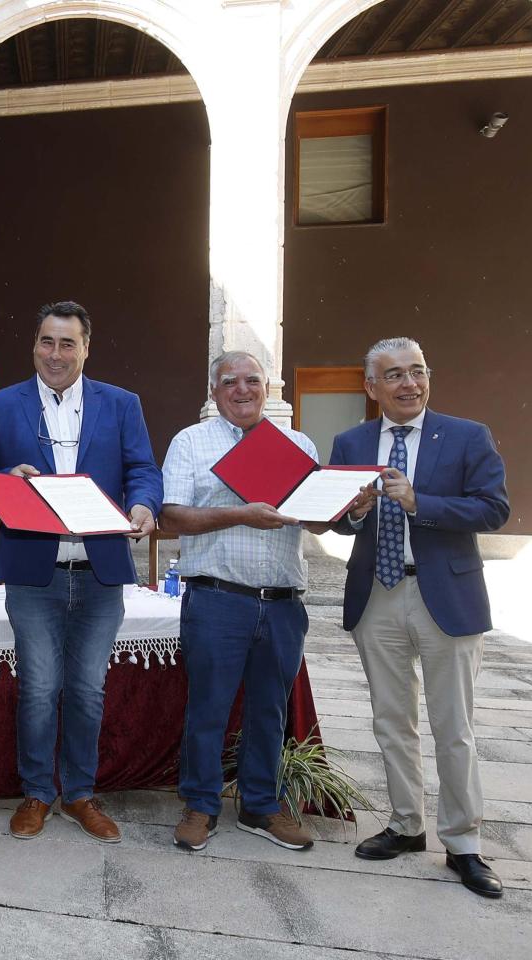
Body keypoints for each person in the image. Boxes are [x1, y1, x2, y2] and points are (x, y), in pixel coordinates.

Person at [0, 300, 161, 843]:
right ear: (34, 345)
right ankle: (36, 793)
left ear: (86, 348)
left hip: (101, 572)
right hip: (35, 574)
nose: (56, 354)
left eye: (67, 343)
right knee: (38, 688)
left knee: (86, 690)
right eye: (46, 342)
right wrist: (7, 475)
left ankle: (78, 794)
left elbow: (143, 470)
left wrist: (145, 505)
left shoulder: (121, 404)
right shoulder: (2, 406)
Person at [330, 337, 510, 898]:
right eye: (394, 375)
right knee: (391, 721)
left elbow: (494, 508)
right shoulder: (351, 441)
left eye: (417, 371)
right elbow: (335, 521)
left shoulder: (465, 435)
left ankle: (464, 844)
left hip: (446, 598)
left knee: (453, 726)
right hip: (376, 594)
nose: (409, 384)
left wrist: (418, 503)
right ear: (371, 387)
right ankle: (407, 825)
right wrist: (353, 513)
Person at [161, 351, 320, 854]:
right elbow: (172, 516)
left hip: (281, 602)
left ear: (268, 387)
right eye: (230, 382)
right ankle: (201, 805)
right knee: (207, 708)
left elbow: (315, 517)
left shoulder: (297, 445)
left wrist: (344, 505)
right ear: (214, 391)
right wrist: (240, 515)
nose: (243, 389)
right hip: (217, 598)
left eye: (253, 380)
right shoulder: (191, 442)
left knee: (269, 710)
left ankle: (259, 805)